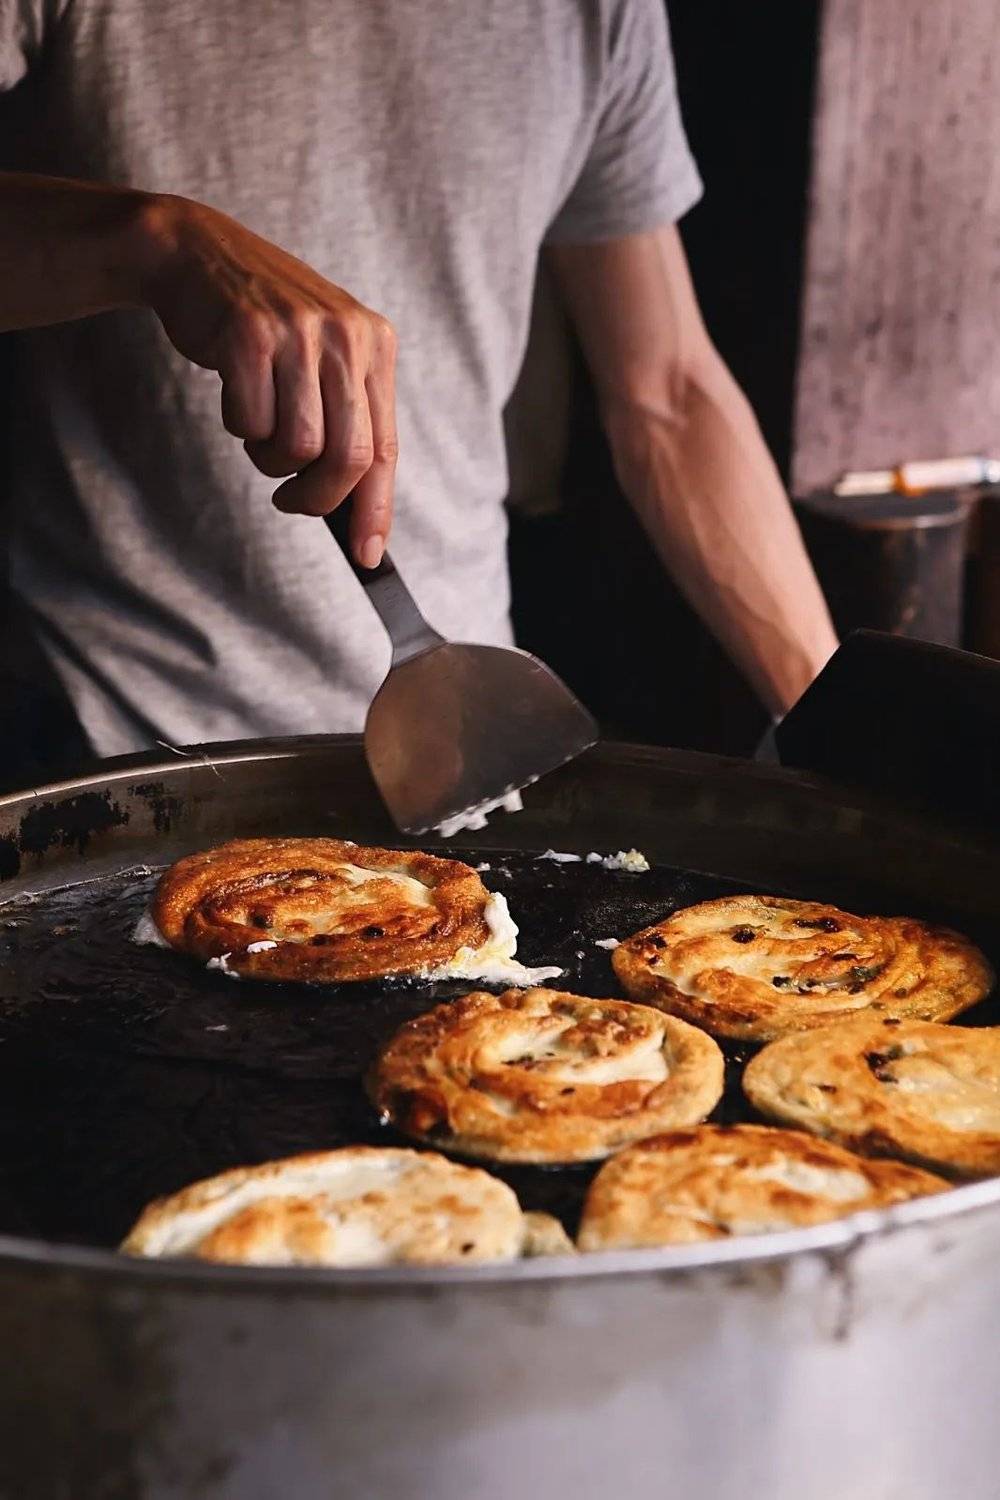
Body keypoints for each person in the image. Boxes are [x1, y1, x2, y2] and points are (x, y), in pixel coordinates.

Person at [0, 0, 836, 786]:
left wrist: (831, 717)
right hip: (108, 750)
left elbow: (669, 389)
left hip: (460, 749)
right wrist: (157, 242)